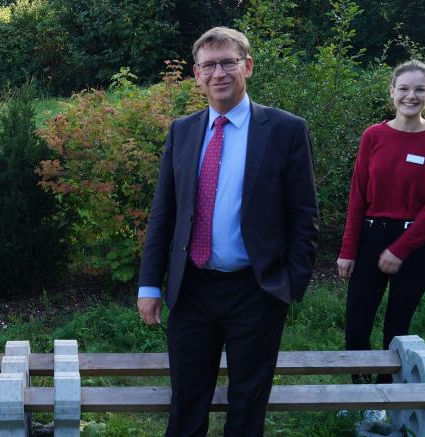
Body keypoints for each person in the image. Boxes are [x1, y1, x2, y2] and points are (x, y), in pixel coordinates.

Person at [136, 27, 319, 436]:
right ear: (197, 75)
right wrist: (149, 284)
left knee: (248, 403)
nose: (219, 73)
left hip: (256, 291)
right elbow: (163, 213)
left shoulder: (286, 130)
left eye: (228, 62)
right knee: (186, 402)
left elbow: (304, 215)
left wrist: (290, 284)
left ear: (247, 67)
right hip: (192, 289)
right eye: (208, 65)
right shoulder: (182, 131)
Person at [336, 60, 425, 420]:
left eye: (419, 89)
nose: (411, 96)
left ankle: (383, 403)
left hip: (414, 248)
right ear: (392, 91)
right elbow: (358, 195)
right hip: (370, 240)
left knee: (395, 332)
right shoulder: (373, 136)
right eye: (404, 88)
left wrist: (400, 250)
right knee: (356, 327)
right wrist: (347, 250)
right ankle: (360, 396)